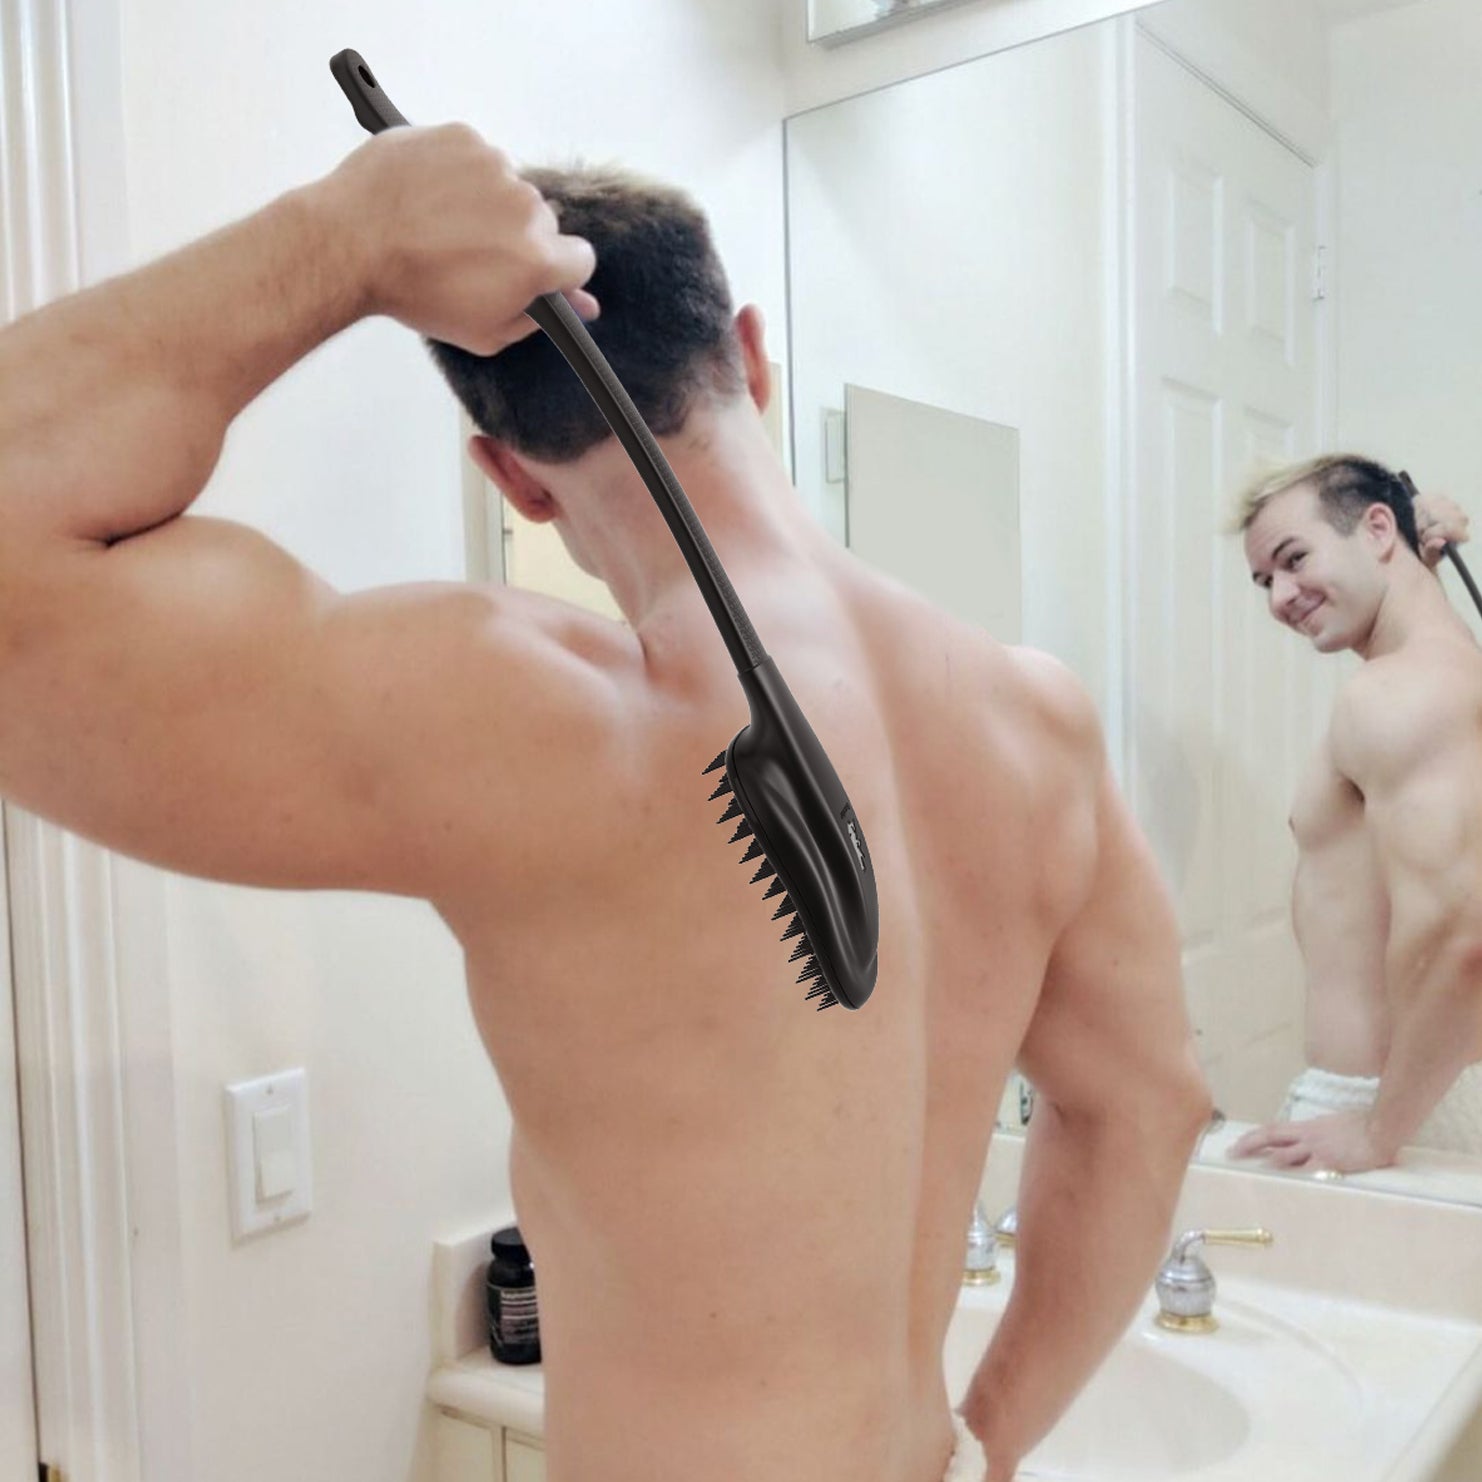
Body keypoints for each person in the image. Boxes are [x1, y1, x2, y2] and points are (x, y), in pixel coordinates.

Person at [0, 123, 1211, 1482]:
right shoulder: (1035, 718)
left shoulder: (542, 715)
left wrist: (341, 236)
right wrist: (988, 1437)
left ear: (508, 475)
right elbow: (1147, 1104)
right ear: (750, 352)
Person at [1230, 455, 1482, 1175]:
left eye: (1293, 558)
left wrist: (1378, 1131)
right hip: (1429, 1089)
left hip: (1389, 1104)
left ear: (1377, 529)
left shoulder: (1396, 695)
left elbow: (1460, 930)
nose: (1280, 596)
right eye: (1263, 581)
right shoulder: (1451, 666)